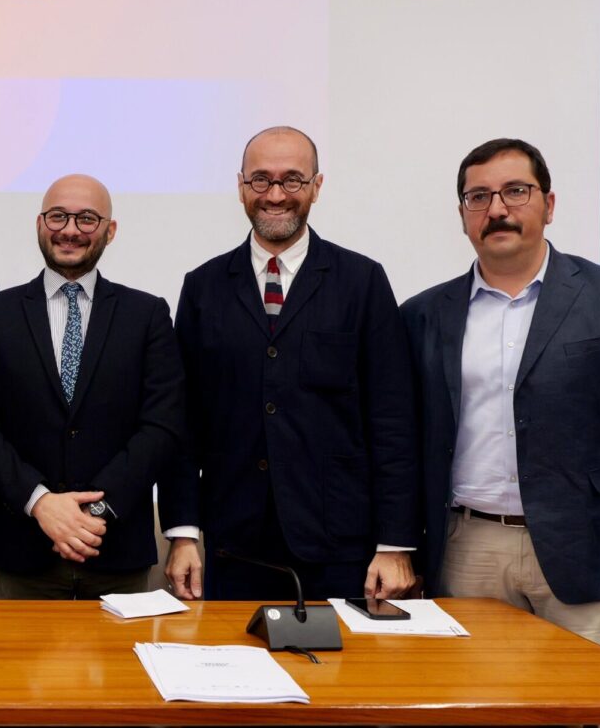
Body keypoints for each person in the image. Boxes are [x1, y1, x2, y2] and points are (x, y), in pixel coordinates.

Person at [401, 138, 600, 653]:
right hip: (467, 552)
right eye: (479, 197)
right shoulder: (422, 314)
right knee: (471, 696)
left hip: (586, 554)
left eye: (516, 191)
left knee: (588, 696)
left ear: (549, 205)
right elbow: (402, 445)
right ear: (463, 215)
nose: (497, 209)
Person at [161, 126, 419, 602]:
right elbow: (183, 421)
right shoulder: (203, 286)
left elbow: (393, 420)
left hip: (341, 545)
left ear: (316, 187)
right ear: (241, 187)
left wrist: (395, 543)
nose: (275, 195)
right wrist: (182, 533)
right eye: (261, 180)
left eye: (292, 180)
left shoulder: (362, 281)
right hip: (234, 545)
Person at [0, 175, 184, 599]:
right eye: (58, 216)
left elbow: (162, 426)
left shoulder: (147, 315)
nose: (70, 230)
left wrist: (94, 512)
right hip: (25, 548)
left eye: (87, 219)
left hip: (116, 548)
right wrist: (41, 502)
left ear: (110, 231)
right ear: (40, 223)